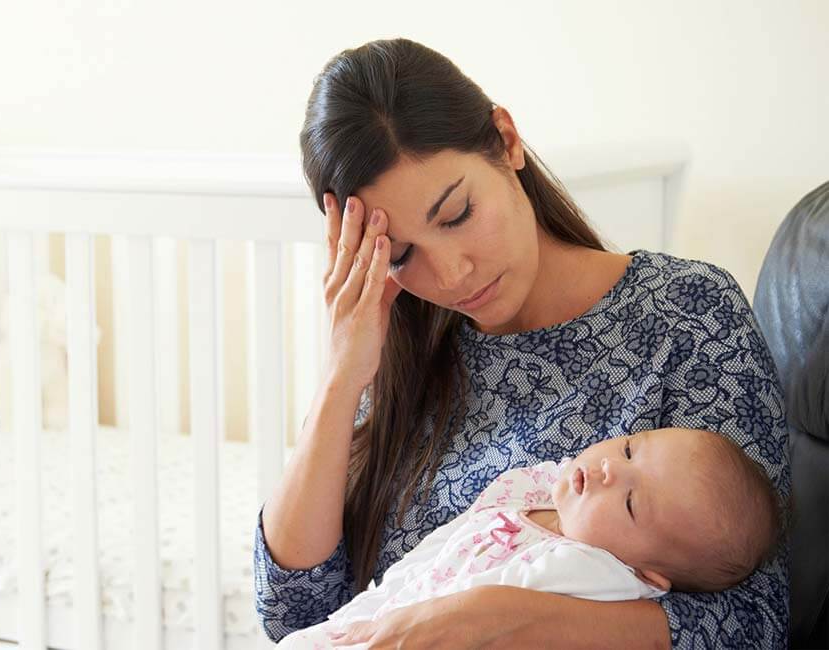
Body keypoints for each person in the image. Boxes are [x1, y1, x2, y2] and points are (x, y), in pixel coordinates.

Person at [254, 38, 789, 648]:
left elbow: (754, 624)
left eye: (456, 214)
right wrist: (340, 379)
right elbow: (293, 612)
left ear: (506, 141)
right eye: (401, 255)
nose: (451, 275)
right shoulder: (398, 356)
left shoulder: (688, 314)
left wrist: (505, 619)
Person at [273, 427, 782, 649]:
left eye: (630, 503)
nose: (607, 471)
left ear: (648, 576)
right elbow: (438, 549)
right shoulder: (541, 488)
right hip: (378, 614)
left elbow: (479, 616)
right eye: (628, 451)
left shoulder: (595, 573)